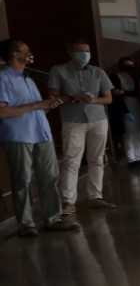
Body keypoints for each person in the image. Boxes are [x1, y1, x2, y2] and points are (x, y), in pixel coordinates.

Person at [0, 39, 76, 236]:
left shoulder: (28, 78)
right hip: (19, 136)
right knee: (22, 180)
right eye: (25, 50)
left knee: (50, 177)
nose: (29, 53)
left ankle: (53, 218)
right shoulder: (3, 78)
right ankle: (26, 224)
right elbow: (2, 111)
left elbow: (34, 107)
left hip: (42, 134)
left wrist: (46, 106)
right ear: (15, 54)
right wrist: (36, 105)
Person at [48, 39, 116, 214]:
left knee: (97, 159)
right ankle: (68, 201)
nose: (85, 54)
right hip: (73, 120)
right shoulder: (59, 71)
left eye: (87, 51)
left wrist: (93, 100)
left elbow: (108, 98)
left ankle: (96, 196)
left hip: (98, 119)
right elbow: (53, 97)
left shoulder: (98, 72)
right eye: (80, 51)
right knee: (71, 160)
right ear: (70, 53)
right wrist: (74, 98)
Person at [113, 57, 140, 168]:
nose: (129, 67)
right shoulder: (114, 77)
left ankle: (138, 157)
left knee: (138, 134)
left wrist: (123, 92)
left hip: (136, 106)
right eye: (127, 64)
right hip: (124, 107)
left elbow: (136, 93)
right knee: (129, 135)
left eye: (131, 65)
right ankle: (131, 159)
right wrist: (125, 110)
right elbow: (116, 95)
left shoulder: (134, 78)